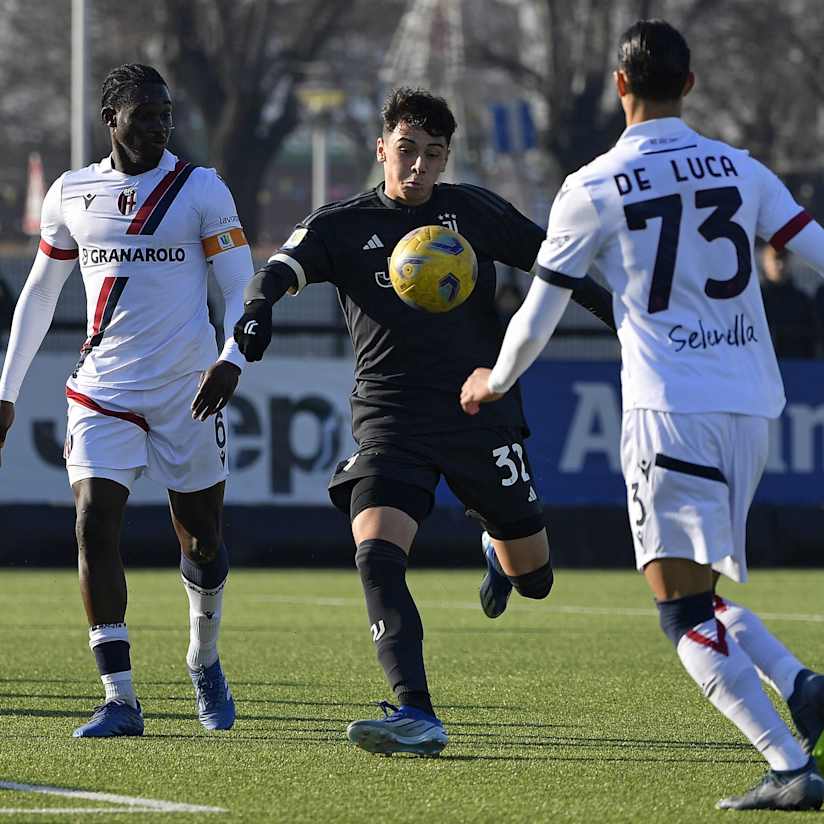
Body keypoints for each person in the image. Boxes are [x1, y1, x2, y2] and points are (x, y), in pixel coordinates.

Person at [461, 20, 824, 811]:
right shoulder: (742, 169)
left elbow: (538, 313)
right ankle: (800, 684)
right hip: (754, 411)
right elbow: (817, 251)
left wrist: (494, 379)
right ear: (688, 86)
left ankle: (790, 765)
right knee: (696, 584)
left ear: (620, 85)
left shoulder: (593, 184)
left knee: (679, 613)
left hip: (670, 411)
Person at [233, 87, 615, 757]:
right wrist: (259, 309)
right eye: (405, 151)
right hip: (390, 419)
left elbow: (557, 264)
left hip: (479, 411)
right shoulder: (343, 224)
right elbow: (280, 268)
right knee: (377, 558)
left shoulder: (474, 212)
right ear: (382, 148)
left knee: (537, 580)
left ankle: (500, 550)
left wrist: (617, 314)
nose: (417, 169)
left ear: (446, 158)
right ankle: (417, 714)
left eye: (432, 156)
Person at [0, 64, 254, 737]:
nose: (157, 125)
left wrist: (232, 360)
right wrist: (6, 391)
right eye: (143, 114)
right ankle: (119, 696)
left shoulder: (201, 190)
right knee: (93, 523)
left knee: (202, 542)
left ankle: (204, 657)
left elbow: (241, 289)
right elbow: (40, 295)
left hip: (189, 392)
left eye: (165, 114)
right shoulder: (72, 192)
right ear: (109, 118)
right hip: (102, 393)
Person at [759, 244, 817, 357]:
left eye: (784, 259)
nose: (780, 265)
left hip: (797, 365)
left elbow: (811, 338)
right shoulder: (758, 300)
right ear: (765, 262)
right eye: (775, 259)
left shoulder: (801, 299)